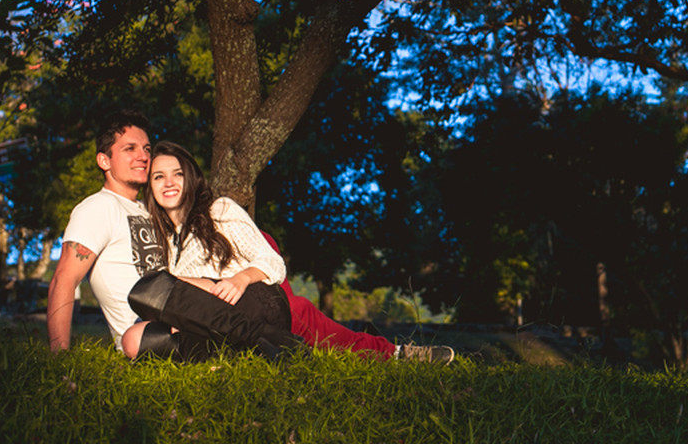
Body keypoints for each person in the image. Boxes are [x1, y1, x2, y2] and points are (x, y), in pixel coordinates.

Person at [122, 141, 454, 364]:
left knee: (342, 337)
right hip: (219, 321)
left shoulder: (218, 210)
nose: (168, 182)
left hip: (254, 299)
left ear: (191, 178)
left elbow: (271, 262)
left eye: (177, 173)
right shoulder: (165, 241)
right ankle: (264, 346)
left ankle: (402, 355)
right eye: (158, 176)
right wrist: (190, 296)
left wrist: (239, 279)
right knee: (135, 337)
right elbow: (167, 297)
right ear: (149, 186)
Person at [47, 110, 164, 353]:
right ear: (104, 161)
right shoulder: (98, 207)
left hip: (178, 318)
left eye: (146, 149)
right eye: (129, 149)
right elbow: (64, 280)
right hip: (147, 340)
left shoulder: (149, 210)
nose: (142, 156)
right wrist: (58, 357)